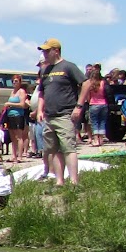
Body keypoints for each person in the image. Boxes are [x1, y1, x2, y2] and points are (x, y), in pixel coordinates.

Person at [35, 38, 84, 185]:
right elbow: (42, 92)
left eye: (47, 50)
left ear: (56, 50)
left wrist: (79, 106)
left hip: (65, 114)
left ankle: (74, 181)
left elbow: (86, 83)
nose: (45, 53)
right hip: (49, 116)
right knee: (53, 149)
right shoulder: (45, 70)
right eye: (43, 50)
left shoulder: (68, 67)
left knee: (68, 148)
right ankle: (59, 181)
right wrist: (39, 110)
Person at [2, 81, 32, 162]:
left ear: (19, 82)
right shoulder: (12, 92)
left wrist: (10, 104)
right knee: (12, 137)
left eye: (16, 81)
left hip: (18, 115)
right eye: (13, 81)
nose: (14, 83)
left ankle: (20, 156)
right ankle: (14, 155)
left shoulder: (21, 91)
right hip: (10, 115)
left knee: (19, 136)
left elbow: (22, 104)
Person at [81, 63, 109, 147]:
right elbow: (106, 93)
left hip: (94, 104)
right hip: (104, 104)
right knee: (102, 122)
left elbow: (88, 96)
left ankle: (96, 140)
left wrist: (90, 102)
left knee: (94, 123)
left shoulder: (90, 83)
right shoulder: (103, 83)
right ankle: (101, 140)